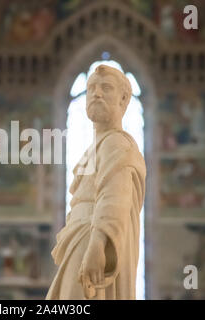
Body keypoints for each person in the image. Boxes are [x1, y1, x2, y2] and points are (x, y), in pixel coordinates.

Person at [46, 65, 146, 299]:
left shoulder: (116, 143)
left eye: (106, 88)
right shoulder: (97, 147)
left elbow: (115, 197)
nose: (96, 93)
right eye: (91, 88)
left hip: (92, 240)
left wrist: (98, 244)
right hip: (81, 238)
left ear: (123, 99)